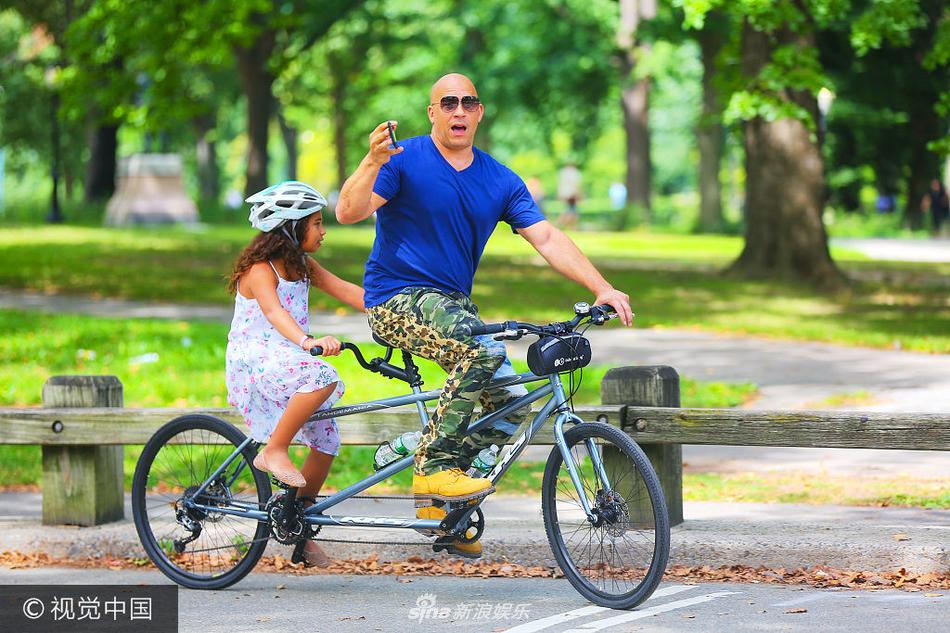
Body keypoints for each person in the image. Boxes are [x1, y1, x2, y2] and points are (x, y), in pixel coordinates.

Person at [335, 73, 632, 558]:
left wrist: (601, 286)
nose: (457, 111)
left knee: (512, 404)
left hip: (454, 308)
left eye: (467, 103)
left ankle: (437, 504)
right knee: (474, 349)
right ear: (432, 112)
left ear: (479, 112)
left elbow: (548, 238)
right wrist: (371, 160)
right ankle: (433, 464)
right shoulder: (401, 160)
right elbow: (348, 211)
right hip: (395, 297)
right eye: (447, 103)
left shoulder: (498, 179)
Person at [225, 180, 364, 566]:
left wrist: (393, 310)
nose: (323, 230)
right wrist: (306, 342)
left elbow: (347, 290)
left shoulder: (302, 265)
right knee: (323, 375)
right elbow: (274, 313)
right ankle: (273, 451)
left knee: (327, 441)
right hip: (256, 362)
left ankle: (296, 524)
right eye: (316, 223)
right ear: (291, 227)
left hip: (287, 361)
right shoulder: (259, 270)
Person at [557, 162, 582, 229]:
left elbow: (560, 185)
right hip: (572, 193)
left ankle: (572, 226)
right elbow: (576, 184)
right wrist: (579, 194)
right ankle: (571, 226)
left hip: (565, 194)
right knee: (571, 210)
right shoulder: (574, 173)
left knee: (571, 210)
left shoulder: (563, 172)